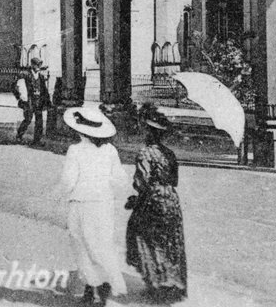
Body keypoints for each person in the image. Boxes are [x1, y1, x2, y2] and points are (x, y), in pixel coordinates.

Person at [59, 105, 128, 306]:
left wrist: (64, 193)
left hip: (81, 204)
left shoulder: (75, 150)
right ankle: (105, 286)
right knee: (102, 245)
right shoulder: (110, 150)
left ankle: (90, 288)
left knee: (83, 246)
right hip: (103, 205)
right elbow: (120, 179)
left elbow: (68, 181)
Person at [126, 109, 187, 303]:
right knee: (170, 241)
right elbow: (174, 180)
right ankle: (173, 281)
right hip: (171, 199)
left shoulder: (145, 153)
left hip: (152, 199)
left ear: (149, 132)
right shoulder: (169, 153)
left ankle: (156, 281)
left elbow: (140, 182)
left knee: (143, 236)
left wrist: (135, 198)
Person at [14, 58, 51, 145]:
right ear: (32, 65)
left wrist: (48, 101)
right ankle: (19, 136)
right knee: (28, 119)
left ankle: (37, 140)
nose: (38, 66)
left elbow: (44, 90)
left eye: (39, 65)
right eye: (36, 64)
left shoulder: (41, 77)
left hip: (38, 101)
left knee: (39, 121)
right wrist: (21, 98)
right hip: (29, 101)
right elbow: (17, 86)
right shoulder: (26, 75)